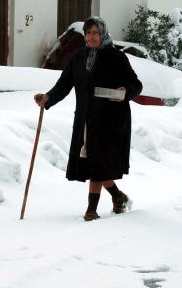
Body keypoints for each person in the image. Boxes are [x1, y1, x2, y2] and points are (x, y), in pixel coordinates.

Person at [34, 17, 142, 221]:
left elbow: (136, 85)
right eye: (88, 33)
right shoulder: (78, 57)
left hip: (111, 120)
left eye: (95, 33)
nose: (92, 37)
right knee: (96, 163)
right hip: (86, 119)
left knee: (97, 162)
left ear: (103, 34)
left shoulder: (116, 57)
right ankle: (118, 197)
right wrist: (47, 98)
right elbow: (64, 84)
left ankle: (91, 211)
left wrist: (124, 91)